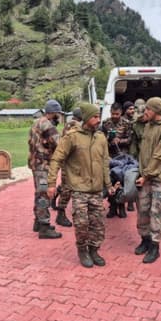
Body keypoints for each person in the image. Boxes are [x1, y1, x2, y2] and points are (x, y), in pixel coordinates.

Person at [48, 103, 110, 268]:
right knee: (81, 223)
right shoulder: (72, 137)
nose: (98, 120)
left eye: (99, 116)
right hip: (79, 190)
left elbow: (105, 163)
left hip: (96, 190)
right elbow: (56, 159)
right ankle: (82, 251)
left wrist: (108, 184)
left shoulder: (101, 138)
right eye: (95, 117)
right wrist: (52, 183)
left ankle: (94, 250)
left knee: (98, 224)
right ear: (87, 118)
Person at [133, 96, 161, 265]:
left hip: (158, 178)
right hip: (145, 177)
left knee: (156, 213)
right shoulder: (148, 126)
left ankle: (154, 246)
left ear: (156, 111)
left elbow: (159, 157)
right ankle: (144, 240)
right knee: (143, 210)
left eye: (148, 110)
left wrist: (146, 175)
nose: (145, 112)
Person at [28, 99, 65, 240]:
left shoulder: (37, 122)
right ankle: (44, 227)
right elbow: (60, 144)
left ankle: (38, 221)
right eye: (58, 114)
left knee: (39, 193)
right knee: (43, 194)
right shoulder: (48, 125)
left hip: (36, 164)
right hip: (43, 166)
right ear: (53, 113)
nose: (59, 116)